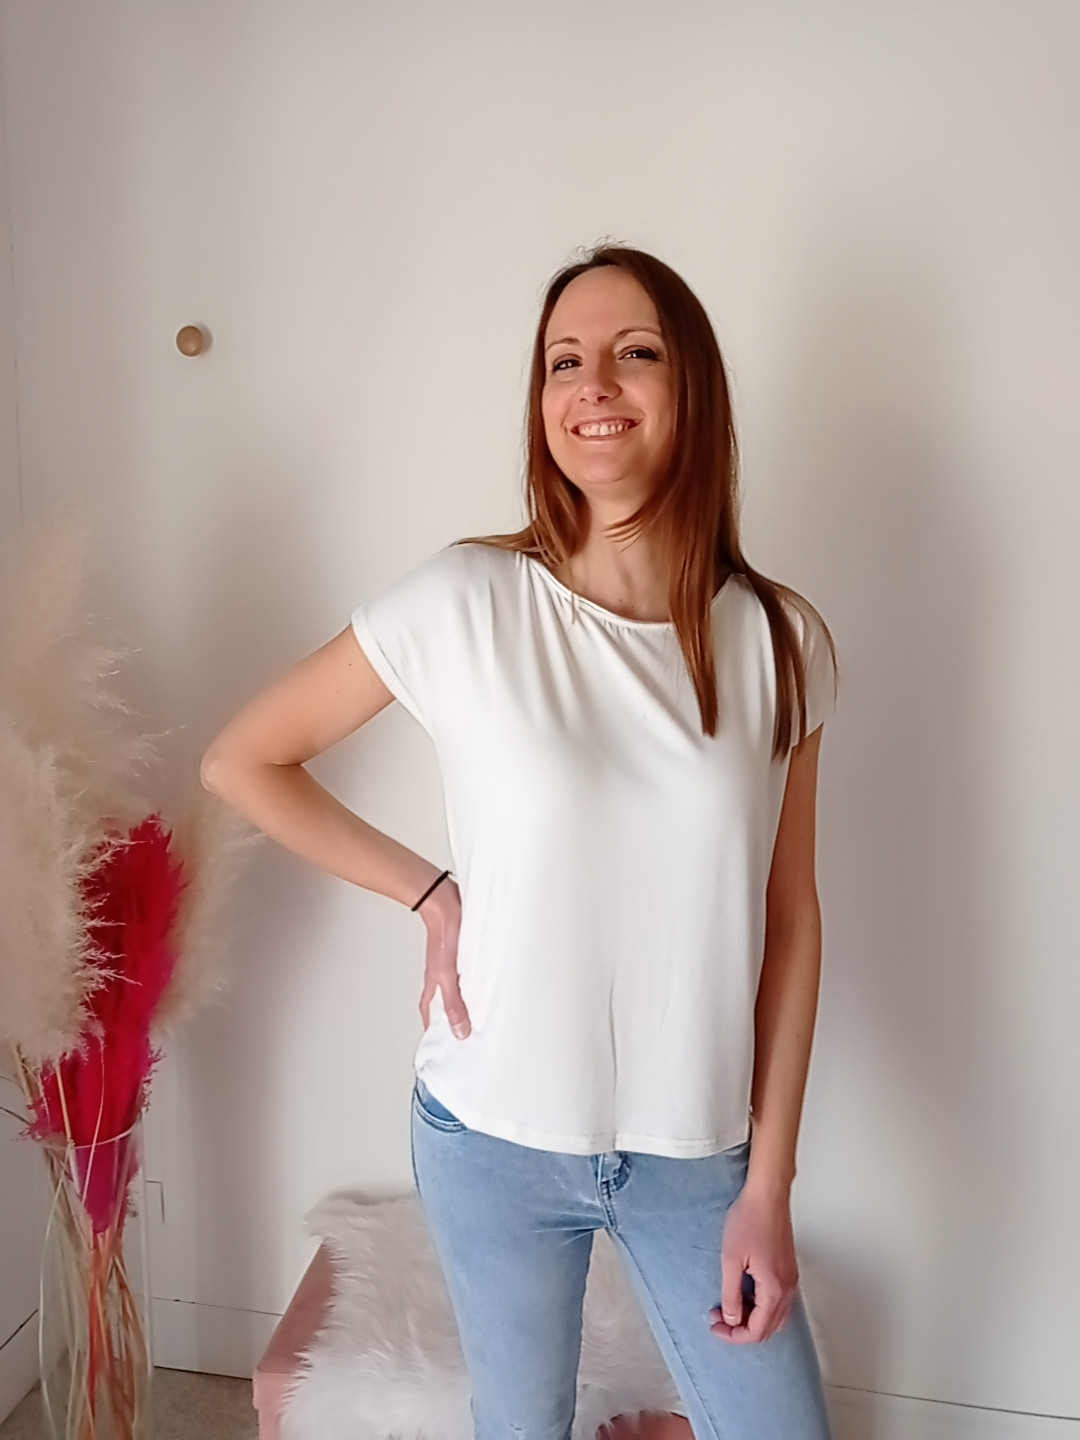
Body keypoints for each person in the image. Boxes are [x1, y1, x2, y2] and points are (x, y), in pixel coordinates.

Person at [201, 243, 839, 1440]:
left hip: (697, 1156)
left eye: (633, 352)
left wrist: (769, 1184)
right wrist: (429, 891)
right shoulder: (469, 600)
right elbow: (243, 760)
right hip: (491, 1138)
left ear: (693, 388)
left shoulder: (779, 641)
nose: (593, 384)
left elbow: (791, 918)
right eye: (563, 361)